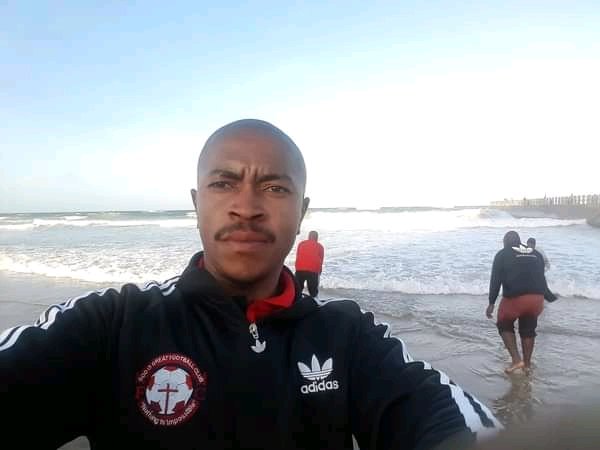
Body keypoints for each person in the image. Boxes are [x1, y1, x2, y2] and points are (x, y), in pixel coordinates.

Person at [0, 119, 501, 449]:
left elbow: (447, 420)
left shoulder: (349, 336)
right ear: (197, 202)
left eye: (275, 187)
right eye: (224, 183)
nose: (246, 206)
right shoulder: (113, 324)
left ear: (301, 212)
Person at [486, 231, 551, 374]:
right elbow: (541, 277)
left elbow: (495, 280)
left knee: (504, 323)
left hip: (515, 300)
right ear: (519, 241)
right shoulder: (536, 253)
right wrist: (548, 296)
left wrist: (491, 303)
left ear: (505, 242)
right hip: (536, 299)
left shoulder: (502, 254)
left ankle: (516, 360)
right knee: (528, 330)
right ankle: (527, 365)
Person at [294, 230, 324, 297]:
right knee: (313, 292)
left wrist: (297, 268)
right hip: (313, 270)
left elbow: (298, 256)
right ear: (316, 237)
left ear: (308, 237)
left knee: (297, 290)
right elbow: (321, 260)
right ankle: (314, 301)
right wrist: (319, 272)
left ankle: (296, 301)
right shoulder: (320, 246)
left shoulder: (301, 244)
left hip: (299, 269)